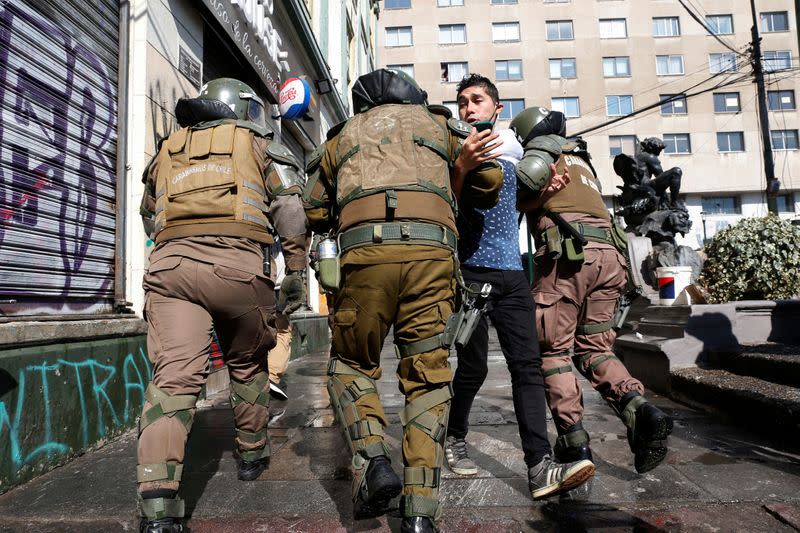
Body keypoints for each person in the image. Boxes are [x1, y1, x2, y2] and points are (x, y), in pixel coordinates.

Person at [303, 68, 502, 533]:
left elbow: (313, 209)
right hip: (432, 258)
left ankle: (373, 458)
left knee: (351, 363)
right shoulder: (441, 125)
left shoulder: (342, 135)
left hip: (364, 257)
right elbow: (489, 183)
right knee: (427, 376)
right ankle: (419, 515)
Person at [136, 78, 308, 533]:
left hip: (171, 270)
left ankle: (157, 505)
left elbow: (148, 213)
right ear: (241, 109)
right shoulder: (256, 142)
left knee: (173, 378)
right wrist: (296, 270)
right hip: (238, 270)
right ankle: (251, 453)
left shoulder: (166, 149)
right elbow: (289, 207)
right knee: (248, 362)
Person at [443, 74, 595, 500]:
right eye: (462, 102)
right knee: (472, 370)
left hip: (512, 278)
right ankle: (454, 438)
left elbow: (511, 206)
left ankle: (539, 466)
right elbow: (447, 205)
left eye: (476, 100)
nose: (468, 108)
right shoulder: (459, 149)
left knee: (526, 368)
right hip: (470, 276)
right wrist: (461, 166)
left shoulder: (512, 153)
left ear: (497, 108)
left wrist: (542, 194)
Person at [512, 106, 673, 474]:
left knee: (552, 351)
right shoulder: (581, 160)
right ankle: (638, 408)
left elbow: (521, 189)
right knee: (594, 347)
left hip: (568, 257)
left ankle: (574, 443)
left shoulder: (543, 151)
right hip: (609, 258)